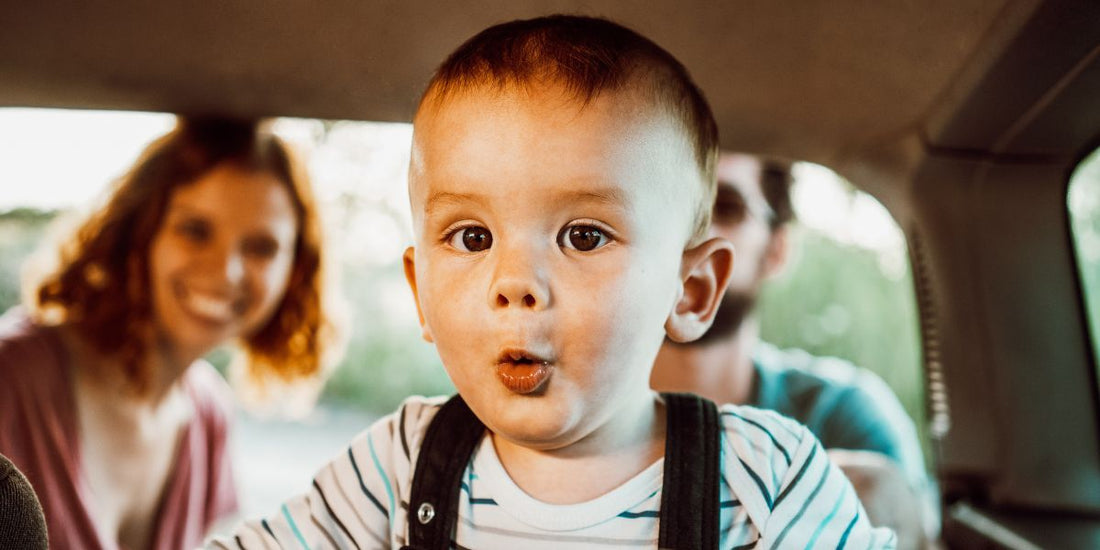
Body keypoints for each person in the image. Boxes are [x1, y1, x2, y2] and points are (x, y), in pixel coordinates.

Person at [212, 15, 895, 548]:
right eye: (472, 237)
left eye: (584, 236)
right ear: (420, 292)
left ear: (689, 291)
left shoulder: (763, 482)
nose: (516, 283)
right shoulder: (398, 468)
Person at [0, 117, 338, 550]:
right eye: (195, 231)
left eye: (261, 247)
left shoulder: (209, 415)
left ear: (295, 271)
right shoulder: (10, 378)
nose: (226, 271)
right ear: (140, 232)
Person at [649, 152, 935, 547]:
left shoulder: (845, 417)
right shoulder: (568, 415)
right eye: (675, 202)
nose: (693, 229)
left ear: (776, 251)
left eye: (727, 207)